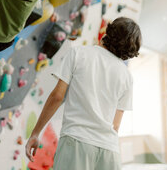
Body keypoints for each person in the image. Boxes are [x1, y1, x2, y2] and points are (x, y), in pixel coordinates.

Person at [25, 17, 142, 169]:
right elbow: (116, 124)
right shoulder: (126, 76)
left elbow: (57, 96)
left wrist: (35, 133)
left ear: (108, 31)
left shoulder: (78, 54)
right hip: (110, 151)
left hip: (76, 143)